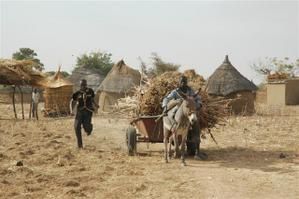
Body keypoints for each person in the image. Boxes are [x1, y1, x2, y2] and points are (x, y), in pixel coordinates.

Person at [162, 75, 207, 160]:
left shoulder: (190, 91)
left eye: (184, 82)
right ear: (179, 83)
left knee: (196, 124)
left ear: (186, 83)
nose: (183, 83)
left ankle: (197, 151)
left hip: (190, 112)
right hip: (179, 111)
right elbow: (166, 99)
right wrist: (165, 106)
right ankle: (173, 127)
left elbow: (198, 99)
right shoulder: (176, 92)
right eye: (181, 82)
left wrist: (198, 105)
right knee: (173, 114)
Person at [70, 79, 98, 149]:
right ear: (80, 85)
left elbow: (92, 99)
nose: (83, 86)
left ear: (86, 84)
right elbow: (72, 102)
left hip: (88, 112)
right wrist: (71, 111)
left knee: (87, 127)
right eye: (82, 85)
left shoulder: (90, 91)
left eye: (84, 85)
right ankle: (80, 145)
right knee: (76, 127)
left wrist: (96, 105)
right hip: (80, 112)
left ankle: (89, 129)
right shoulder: (77, 93)